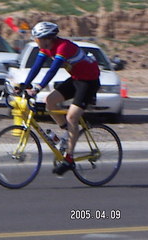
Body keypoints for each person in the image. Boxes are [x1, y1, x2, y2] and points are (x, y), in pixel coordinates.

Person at [20, 22, 101, 176]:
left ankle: (69, 159)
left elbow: (52, 70)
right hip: (76, 78)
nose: (35, 40)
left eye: (36, 38)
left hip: (89, 82)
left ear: (46, 38)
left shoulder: (63, 47)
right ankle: (66, 135)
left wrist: (37, 88)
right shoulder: (46, 47)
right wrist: (25, 85)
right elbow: (37, 66)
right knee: (49, 101)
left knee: (72, 116)